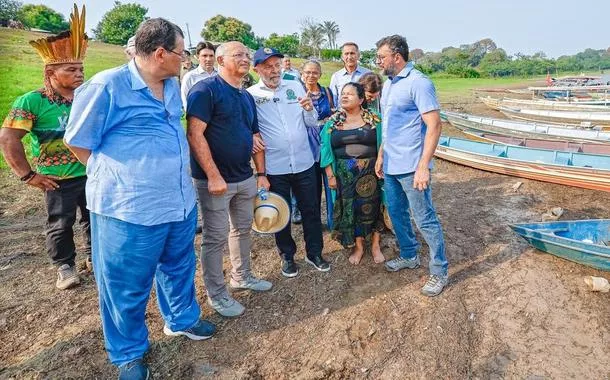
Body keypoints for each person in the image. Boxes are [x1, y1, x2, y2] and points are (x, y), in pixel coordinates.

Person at [64, 18, 216, 379]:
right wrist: (122, 176)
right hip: (128, 208)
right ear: (160, 53)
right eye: (182, 53)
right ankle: (128, 352)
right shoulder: (107, 86)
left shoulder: (172, 83)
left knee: (178, 267)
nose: (187, 59)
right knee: (125, 285)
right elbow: (77, 141)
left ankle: (181, 319)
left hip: (177, 202)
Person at [0, 4, 91, 290]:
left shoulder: (88, 96)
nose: (79, 74)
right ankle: (65, 266)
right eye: (71, 69)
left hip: (91, 172)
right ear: (51, 71)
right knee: (61, 224)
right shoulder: (31, 101)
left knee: (95, 218)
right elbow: (8, 138)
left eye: (81, 69)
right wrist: (28, 175)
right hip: (57, 178)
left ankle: (94, 257)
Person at [187, 41, 272, 318]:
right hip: (215, 182)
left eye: (247, 55)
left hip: (244, 177)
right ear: (220, 60)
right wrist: (213, 176)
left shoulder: (246, 96)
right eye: (239, 55)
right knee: (214, 238)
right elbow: (195, 134)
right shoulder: (205, 91)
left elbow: (256, 138)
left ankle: (241, 276)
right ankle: (217, 294)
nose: (246, 59)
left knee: (242, 230)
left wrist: (261, 174)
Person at [374, 34, 449, 297]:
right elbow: (389, 126)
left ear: (397, 56)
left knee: (424, 218)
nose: (378, 62)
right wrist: (382, 155)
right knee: (396, 214)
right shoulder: (389, 84)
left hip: (412, 165)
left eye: (381, 57)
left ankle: (439, 271)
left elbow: (434, 126)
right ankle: (409, 255)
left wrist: (423, 166)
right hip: (392, 164)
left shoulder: (419, 83)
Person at [248, 47, 330, 278]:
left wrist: (309, 110)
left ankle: (314, 252)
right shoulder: (252, 95)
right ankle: (287, 256)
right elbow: (253, 132)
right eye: (268, 67)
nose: (274, 71)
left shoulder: (294, 86)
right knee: (281, 214)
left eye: (277, 65)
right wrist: (260, 172)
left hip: (304, 163)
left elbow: (312, 122)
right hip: (275, 166)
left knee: (311, 210)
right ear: (257, 69)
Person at [320, 83, 385, 264]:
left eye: (350, 94)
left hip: (371, 172)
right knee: (351, 209)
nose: (344, 96)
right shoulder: (333, 122)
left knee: (373, 207)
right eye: (343, 93)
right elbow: (324, 148)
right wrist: (331, 175)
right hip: (345, 173)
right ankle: (359, 245)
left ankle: (375, 244)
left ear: (361, 99)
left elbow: (386, 141)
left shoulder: (375, 119)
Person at [300, 59, 335, 224]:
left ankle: (332, 221)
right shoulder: (297, 93)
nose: (311, 76)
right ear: (302, 74)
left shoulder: (327, 92)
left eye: (315, 72)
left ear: (320, 74)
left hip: (326, 142)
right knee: (311, 188)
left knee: (331, 182)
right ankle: (313, 223)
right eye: (307, 72)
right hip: (306, 144)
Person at [180, 41, 217, 108]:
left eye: (211, 56)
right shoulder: (190, 77)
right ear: (197, 57)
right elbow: (186, 103)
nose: (208, 59)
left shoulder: (221, 75)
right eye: (204, 56)